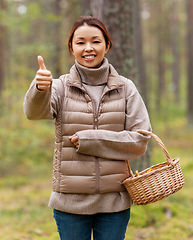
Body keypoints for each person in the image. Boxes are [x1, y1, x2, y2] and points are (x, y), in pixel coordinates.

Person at [23, 15, 152, 240]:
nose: (88, 48)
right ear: (71, 48)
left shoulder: (126, 88)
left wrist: (91, 140)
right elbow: (34, 113)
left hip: (115, 203)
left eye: (96, 41)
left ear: (107, 45)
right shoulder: (60, 87)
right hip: (70, 203)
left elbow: (140, 141)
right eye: (80, 42)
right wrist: (40, 89)